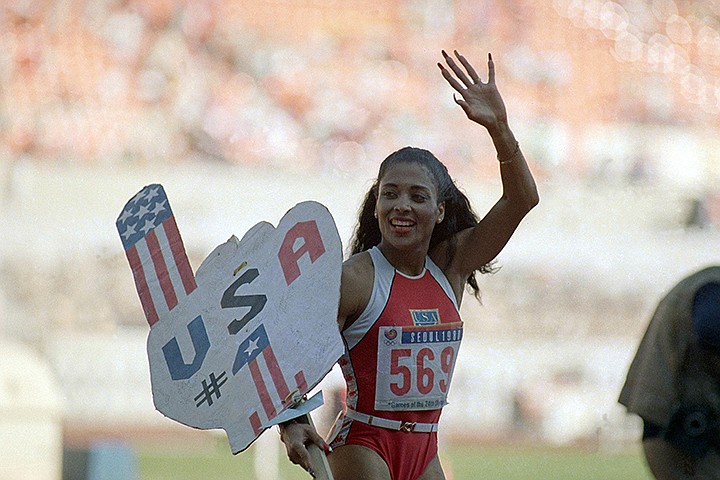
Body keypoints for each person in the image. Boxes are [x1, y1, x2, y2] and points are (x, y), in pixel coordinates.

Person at [279, 49, 539, 480]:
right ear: (376, 201)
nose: (401, 206)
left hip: (426, 449)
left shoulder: (451, 268)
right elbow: (288, 352)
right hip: (366, 445)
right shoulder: (356, 278)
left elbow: (522, 200)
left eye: (417, 196)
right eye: (390, 193)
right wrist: (292, 423)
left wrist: (500, 129)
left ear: (439, 211)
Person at [619, 266, 720, 479]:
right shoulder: (712, 286)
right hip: (689, 440)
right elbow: (710, 328)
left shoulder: (705, 282)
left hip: (682, 433)